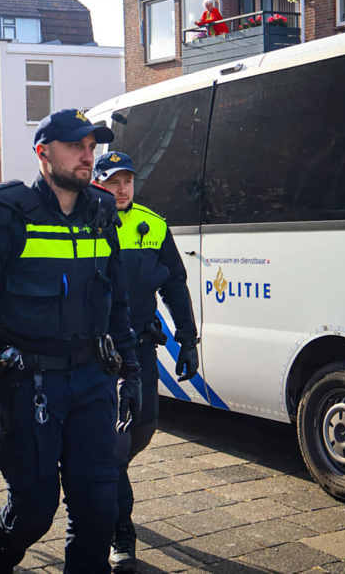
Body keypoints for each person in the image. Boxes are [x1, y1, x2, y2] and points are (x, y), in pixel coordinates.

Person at [0, 108, 140, 574]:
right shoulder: (6, 215)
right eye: (77, 146)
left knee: (98, 511)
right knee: (34, 510)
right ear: (43, 152)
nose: (87, 156)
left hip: (92, 382)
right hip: (28, 386)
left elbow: (115, 302)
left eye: (92, 147)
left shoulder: (101, 213)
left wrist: (131, 370)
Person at [94, 151, 200, 572]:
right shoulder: (82, 223)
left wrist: (187, 341)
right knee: (113, 447)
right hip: (97, 355)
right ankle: (122, 530)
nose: (122, 188)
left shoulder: (153, 226)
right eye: (113, 180)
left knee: (143, 429)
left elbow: (175, 285)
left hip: (139, 349)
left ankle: (102, 479)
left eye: (128, 181)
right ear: (98, 182)